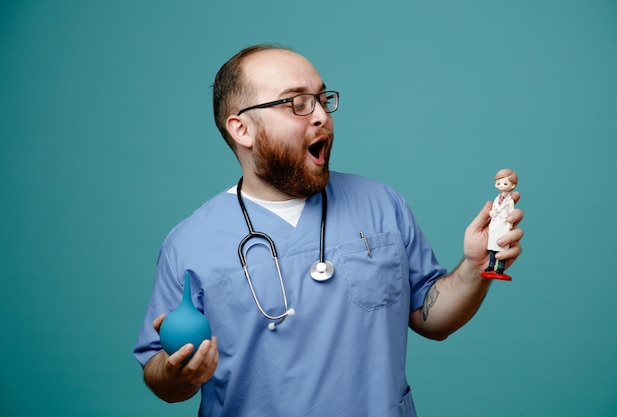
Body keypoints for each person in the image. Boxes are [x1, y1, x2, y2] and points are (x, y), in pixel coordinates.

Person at [133, 44, 525, 417]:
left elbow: (431, 319)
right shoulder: (189, 243)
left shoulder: (382, 204)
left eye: (322, 99)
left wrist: (476, 268)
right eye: (297, 103)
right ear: (242, 129)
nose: (322, 116)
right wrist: (175, 374)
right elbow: (158, 368)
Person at [481, 169, 518, 280]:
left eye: (505, 183)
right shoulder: (497, 198)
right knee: (492, 249)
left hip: (503, 225)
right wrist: (492, 213)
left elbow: (511, 214)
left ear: (512, 186)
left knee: (502, 250)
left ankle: (500, 267)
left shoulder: (509, 201)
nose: (501, 186)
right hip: (494, 225)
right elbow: (493, 209)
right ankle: (491, 266)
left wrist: (509, 225)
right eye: (498, 183)